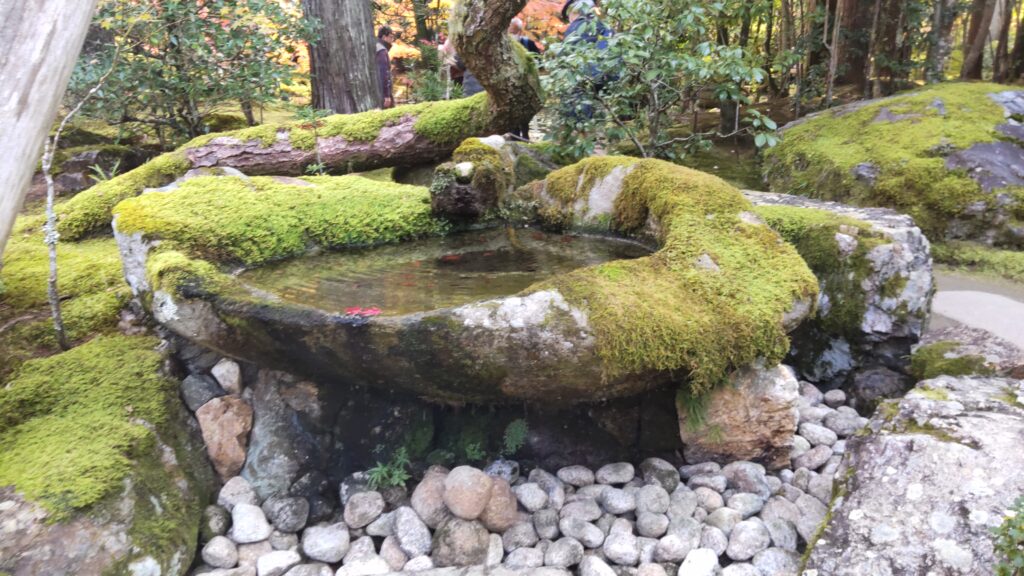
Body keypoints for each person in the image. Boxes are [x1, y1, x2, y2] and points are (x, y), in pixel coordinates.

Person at [376, 26, 396, 109]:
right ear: (384, 37)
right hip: (382, 93)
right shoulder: (382, 51)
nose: (392, 40)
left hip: (377, 90)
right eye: (390, 37)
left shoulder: (376, 47)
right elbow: (384, 73)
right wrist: (387, 95)